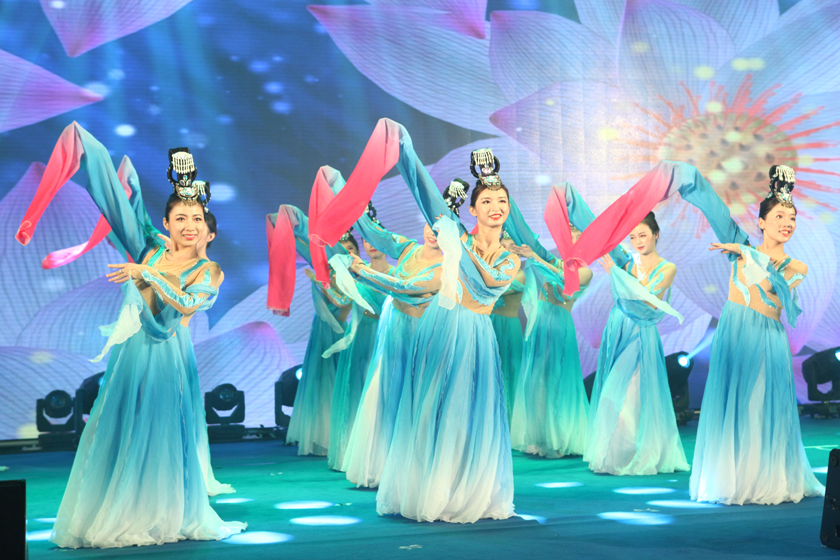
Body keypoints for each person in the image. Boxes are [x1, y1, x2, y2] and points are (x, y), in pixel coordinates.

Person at [16, 123, 245, 547]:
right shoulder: (152, 249)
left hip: (167, 356)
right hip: (130, 356)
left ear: (208, 230)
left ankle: (162, 511)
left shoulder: (207, 269)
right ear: (166, 223)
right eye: (181, 218)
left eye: (197, 219)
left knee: (159, 434)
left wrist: (148, 276)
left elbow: (188, 304)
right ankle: (116, 509)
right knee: (120, 429)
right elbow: (120, 208)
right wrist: (92, 151)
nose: (189, 225)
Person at [372, 146, 520, 523]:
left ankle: (464, 489)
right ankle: (431, 488)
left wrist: (457, 246)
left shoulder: (508, 258)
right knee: (433, 409)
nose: (495, 207)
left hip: (475, 334)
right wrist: (362, 272)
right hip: (441, 327)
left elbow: (492, 282)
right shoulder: (456, 244)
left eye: (502, 201)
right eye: (486, 201)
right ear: (472, 210)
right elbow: (415, 284)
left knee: (471, 412)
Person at [684, 164, 825, 505]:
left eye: (791, 218)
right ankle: (733, 477)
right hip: (734, 333)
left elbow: (771, 288)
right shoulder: (740, 250)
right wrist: (688, 180)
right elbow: (716, 211)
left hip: (765, 336)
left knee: (759, 404)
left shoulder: (795, 266)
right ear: (761, 222)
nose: (787, 223)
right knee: (734, 404)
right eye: (779, 216)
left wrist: (746, 252)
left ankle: (764, 476)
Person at [341, 205, 443, 487]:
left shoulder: (447, 266)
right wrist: (352, 204)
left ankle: (412, 470)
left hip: (421, 337)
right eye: (430, 225)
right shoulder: (408, 248)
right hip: (394, 332)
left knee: (415, 401)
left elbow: (402, 288)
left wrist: (361, 270)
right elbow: (376, 234)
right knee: (383, 398)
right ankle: (382, 466)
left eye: (442, 230)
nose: (434, 233)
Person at [584, 211, 690, 475]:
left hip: (641, 333)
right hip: (619, 328)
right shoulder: (628, 263)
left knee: (629, 395)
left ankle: (636, 454)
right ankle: (617, 454)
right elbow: (602, 235)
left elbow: (647, 301)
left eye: (643, 235)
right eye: (633, 237)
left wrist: (616, 275)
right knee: (615, 395)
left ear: (656, 234)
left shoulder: (667, 268)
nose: (638, 241)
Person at [509, 224, 592, 458]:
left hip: (558, 325)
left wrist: (534, 257)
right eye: (568, 237)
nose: (571, 242)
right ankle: (539, 437)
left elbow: (565, 284)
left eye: (576, 238)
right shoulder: (554, 262)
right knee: (536, 380)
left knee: (557, 380)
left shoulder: (585, 271)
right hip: (539, 323)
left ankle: (560, 438)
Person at [326, 227, 390, 471]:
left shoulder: (397, 273)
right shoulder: (356, 275)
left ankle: (381, 454)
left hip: (386, 336)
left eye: (376, 239)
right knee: (355, 392)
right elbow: (342, 302)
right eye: (366, 240)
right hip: (361, 335)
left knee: (381, 394)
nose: (371, 244)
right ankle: (352, 454)